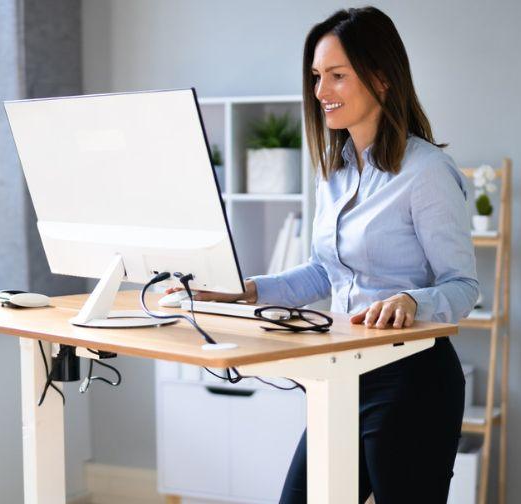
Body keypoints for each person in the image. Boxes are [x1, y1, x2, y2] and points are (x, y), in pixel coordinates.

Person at [168, 6, 478, 503]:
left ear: (381, 79)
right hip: (343, 373)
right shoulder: (333, 174)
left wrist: (413, 303)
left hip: (412, 380)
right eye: (316, 77)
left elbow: (463, 286)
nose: (319, 92)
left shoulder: (427, 172)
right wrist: (243, 291)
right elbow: (321, 273)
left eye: (336, 76)